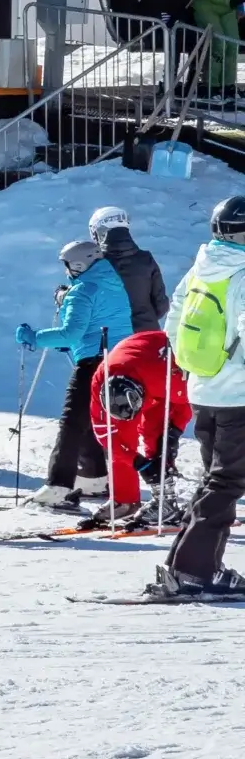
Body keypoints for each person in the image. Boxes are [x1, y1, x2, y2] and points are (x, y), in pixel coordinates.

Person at [155, 194, 245, 598]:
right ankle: (193, 572)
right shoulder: (243, 273)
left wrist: (198, 368)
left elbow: (174, 320)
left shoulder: (202, 268)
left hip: (203, 390)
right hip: (237, 393)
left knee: (215, 481)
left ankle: (194, 566)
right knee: (226, 482)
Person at [16, 237, 133, 511]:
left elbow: (70, 334)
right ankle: (94, 477)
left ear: (79, 263)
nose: (66, 270)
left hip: (93, 362)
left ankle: (58, 485)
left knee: (71, 421)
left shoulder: (83, 290)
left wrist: (34, 337)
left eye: (67, 265)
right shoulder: (113, 283)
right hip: (120, 359)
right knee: (92, 418)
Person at [90, 325, 188, 528]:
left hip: (164, 364)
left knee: (156, 435)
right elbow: (105, 435)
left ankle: (165, 501)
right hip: (136, 366)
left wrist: (173, 432)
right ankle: (124, 499)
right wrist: (138, 462)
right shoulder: (99, 385)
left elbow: (189, 401)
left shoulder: (165, 377)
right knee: (121, 438)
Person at [90, 205, 170, 334]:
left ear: (98, 232)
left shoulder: (95, 265)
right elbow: (161, 305)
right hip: (147, 336)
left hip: (110, 339)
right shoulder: (146, 259)